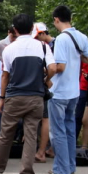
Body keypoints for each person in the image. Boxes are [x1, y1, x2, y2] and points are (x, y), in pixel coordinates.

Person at [0, 14, 56, 174]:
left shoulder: (9, 49)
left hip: (14, 97)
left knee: (5, 134)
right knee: (31, 136)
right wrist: (46, 80)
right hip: (36, 97)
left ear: (14, 30)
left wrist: (2, 98)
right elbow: (53, 68)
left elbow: (4, 77)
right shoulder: (43, 46)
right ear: (32, 29)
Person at [41, 6, 88, 174]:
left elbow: (60, 66)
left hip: (60, 92)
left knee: (58, 132)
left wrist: (46, 77)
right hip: (74, 91)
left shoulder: (62, 39)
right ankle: (70, 166)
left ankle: (61, 170)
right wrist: (76, 58)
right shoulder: (82, 36)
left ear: (56, 19)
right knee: (70, 130)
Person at [32, 22, 55, 163]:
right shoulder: (45, 46)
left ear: (42, 33)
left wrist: (46, 78)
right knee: (42, 119)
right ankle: (41, 151)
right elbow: (51, 68)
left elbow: (53, 68)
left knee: (42, 119)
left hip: (40, 87)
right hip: (43, 87)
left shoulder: (46, 46)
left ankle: (41, 151)